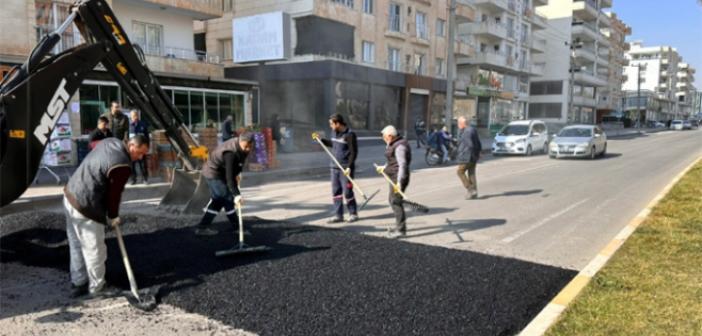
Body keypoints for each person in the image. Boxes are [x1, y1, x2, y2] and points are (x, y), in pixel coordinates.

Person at [63, 136, 150, 298]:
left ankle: (78, 282)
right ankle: (97, 288)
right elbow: (114, 195)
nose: (141, 157)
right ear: (131, 145)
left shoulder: (110, 141)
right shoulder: (122, 164)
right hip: (86, 204)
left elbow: (93, 146)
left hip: (70, 194)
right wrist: (113, 215)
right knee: (94, 249)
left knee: (76, 244)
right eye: (140, 152)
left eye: (144, 154)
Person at [194, 133, 253, 236]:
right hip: (213, 173)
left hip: (222, 172)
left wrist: (238, 173)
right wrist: (237, 195)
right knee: (227, 199)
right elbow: (229, 178)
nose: (248, 149)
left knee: (218, 201)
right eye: (246, 146)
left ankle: (202, 227)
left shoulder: (243, 148)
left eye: (250, 146)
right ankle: (237, 228)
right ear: (240, 141)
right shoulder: (230, 153)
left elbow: (237, 166)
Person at [312, 113, 359, 223]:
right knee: (336, 192)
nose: (330, 126)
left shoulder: (350, 135)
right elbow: (332, 144)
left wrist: (349, 167)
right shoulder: (334, 133)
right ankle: (338, 215)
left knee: (347, 192)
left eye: (331, 124)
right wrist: (321, 140)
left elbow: (353, 153)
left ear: (338, 123)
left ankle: (353, 213)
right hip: (334, 167)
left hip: (345, 169)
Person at [376, 125, 411, 238]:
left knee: (395, 201)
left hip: (398, 178)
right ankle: (399, 227)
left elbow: (402, 165)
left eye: (385, 137)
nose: (384, 139)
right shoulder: (394, 144)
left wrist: (400, 182)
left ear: (390, 136)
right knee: (392, 200)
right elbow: (392, 161)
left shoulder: (400, 146)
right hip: (394, 176)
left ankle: (401, 230)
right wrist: (384, 167)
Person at [456, 116, 482, 200]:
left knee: (460, 172)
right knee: (471, 174)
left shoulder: (466, 132)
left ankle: (470, 189)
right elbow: (478, 142)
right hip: (473, 156)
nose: (458, 125)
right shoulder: (472, 129)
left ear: (462, 123)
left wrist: (466, 153)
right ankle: (474, 193)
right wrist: (478, 153)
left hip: (467, 156)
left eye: (459, 123)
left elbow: (470, 144)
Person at [129, 110, 150, 184]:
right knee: (132, 165)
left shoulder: (143, 125)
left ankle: (145, 179)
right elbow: (126, 138)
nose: (135, 117)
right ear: (130, 117)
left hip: (141, 149)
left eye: (136, 115)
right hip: (132, 151)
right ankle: (133, 179)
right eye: (133, 116)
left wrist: (147, 147)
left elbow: (147, 137)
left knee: (143, 165)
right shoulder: (128, 126)